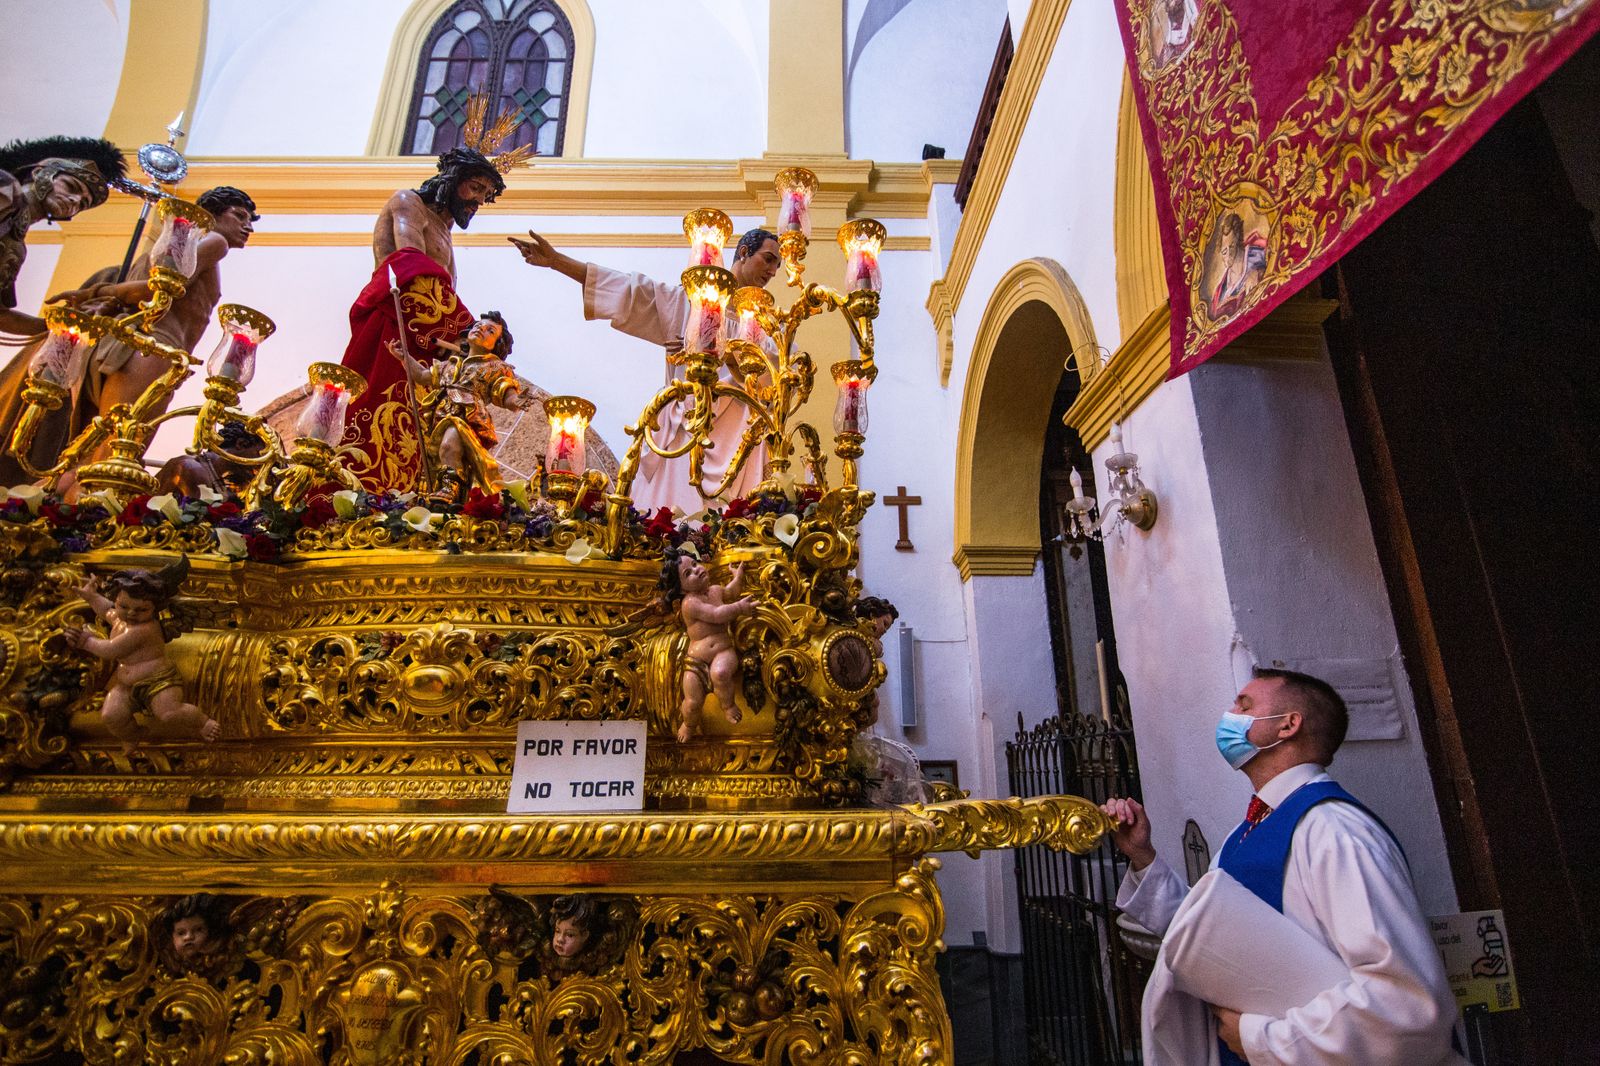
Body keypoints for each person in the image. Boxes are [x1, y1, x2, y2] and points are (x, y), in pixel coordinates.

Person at [1102, 668, 1460, 1064]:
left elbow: (1404, 1005)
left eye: (1244, 705)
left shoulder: (1334, 831)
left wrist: (1259, 1038)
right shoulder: (1252, 827)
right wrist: (1142, 856)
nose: (1229, 714)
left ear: (1288, 725)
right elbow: (1208, 940)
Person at [1, 186, 260, 489]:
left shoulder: (170, 250)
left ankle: (51, 514)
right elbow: (159, 288)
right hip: (154, 350)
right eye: (239, 216)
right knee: (116, 454)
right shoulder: (214, 241)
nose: (248, 226)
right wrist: (96, 292)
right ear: (211, 214)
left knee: (88, 452)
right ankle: (80, 521)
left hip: (131, 349)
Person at [511, 227, 782, 511]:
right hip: (685, 432)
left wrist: (724, 351)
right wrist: (557, 262)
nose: (773, 270)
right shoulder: (687, 303)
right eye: (768, 259)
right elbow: (629, 291)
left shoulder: (767, 327)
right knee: (671, 522)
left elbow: (778, 378)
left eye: (777, 264)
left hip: (740, 440)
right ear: (743, 252)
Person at [338, 147, 514, 492]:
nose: (477, 200)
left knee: (424, 437)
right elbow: (411, 270)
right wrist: (468, 334)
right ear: (452, 180)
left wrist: (478, 349)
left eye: (484, 194)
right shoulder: (409, 203)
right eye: (474, 188)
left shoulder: (445, 231)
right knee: (382, 421)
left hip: (427, 347)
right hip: (396, 331)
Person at [63, 556, 220, 750]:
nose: (131, 613)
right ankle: (133, 735)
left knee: (169, 713)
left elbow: (111, 650)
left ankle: (202, 722)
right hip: (127, 685)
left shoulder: (143, 630)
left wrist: (85, 641)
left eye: (141, 609)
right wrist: (92, 597)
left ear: (155, 608)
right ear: (117, 600)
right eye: (123, 606)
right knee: (111, 715)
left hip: (159, 681)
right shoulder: (122, 619)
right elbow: (106, 611)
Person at [389, 311, 532, 499]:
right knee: (439, 458)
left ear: (497, 345)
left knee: (450, 444)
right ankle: (449, 492)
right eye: (478, 326)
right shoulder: (451, 363)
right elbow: (423, 376)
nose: (481, 329)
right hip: (438, 417)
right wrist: (404, 357)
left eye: (490, 331)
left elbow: (505, 393)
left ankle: (450, 488)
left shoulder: (496, 367)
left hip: (467, 419)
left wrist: (516, 401)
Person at [0, 135, 125, 337]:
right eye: (71, 187)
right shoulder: (6, 189)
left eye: (83, 203)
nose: (75, 200)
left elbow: (2, 316)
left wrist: (65, 323)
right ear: (40, 172)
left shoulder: (17, 249)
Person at [660, 548, 756, 742]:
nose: (696, 570)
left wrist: (738, 577)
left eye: (695, 565)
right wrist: (739, 608)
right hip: (695, 661)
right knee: (692, 702)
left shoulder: (715, 590)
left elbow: (730, 592)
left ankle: (728, 706)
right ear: (682, 589)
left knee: (720, 674)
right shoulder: (690, 603)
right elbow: (716, 615)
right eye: (688, 573)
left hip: (723, 650)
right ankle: (689, 724)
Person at [152, 419, 267, 498]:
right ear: (241, 444)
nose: (260, 467)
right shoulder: (190, 468)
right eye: (260, 455)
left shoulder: (222, 484)